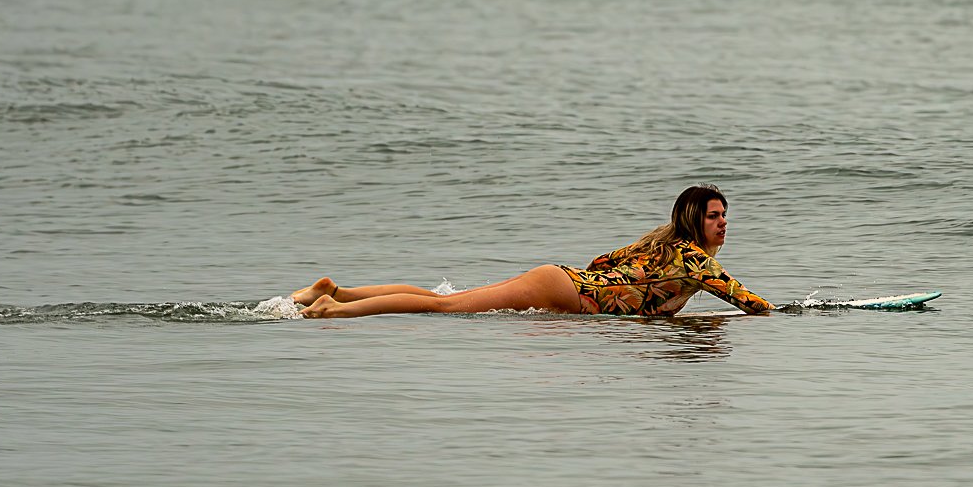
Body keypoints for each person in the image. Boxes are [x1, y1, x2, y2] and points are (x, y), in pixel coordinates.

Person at [293, 184, 773, 319]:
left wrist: (638, 291)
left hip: (563, 281)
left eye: (725, 215)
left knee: (447, 299)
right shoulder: (694, 262)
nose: (723, 223)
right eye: (714, 216)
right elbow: (751, 304)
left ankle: (337, 290)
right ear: (694, 220)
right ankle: (333, 311)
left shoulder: (659, 245)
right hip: (564, 291)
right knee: (445, 306)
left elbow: (600, 263)